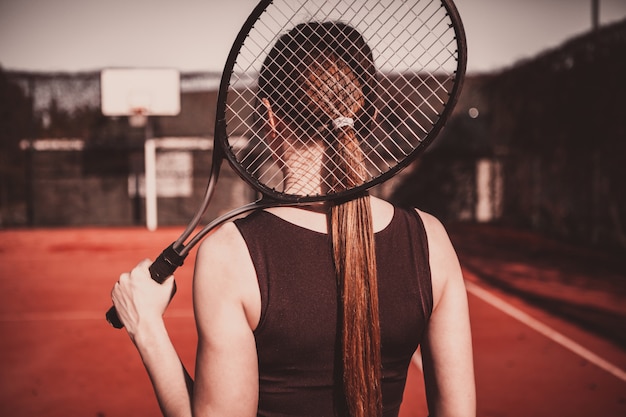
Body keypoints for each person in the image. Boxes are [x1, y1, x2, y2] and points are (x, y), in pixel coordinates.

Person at [111, 21, 475, 417]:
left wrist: (146, 327)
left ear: (270, 116)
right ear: (366, 112)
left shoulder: (231, 255)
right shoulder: (430, 240)